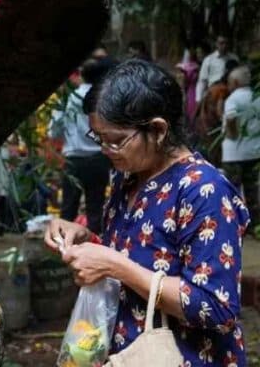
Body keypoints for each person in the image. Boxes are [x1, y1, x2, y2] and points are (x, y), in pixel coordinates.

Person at [46, 60, 249, 366]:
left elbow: (216, 307)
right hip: (130, 352)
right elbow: (145, 251)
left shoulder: (203, 189)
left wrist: (114, 265)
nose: (105, 149)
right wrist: (86, 238)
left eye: (115, 140)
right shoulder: (127, 176)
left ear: (157, 129)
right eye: (98, 138)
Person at [51, 56, 117, 234]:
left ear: (81, 75)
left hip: (73, 160)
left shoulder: (66, 99)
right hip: (98, 159)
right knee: (95, 208)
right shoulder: (105, 99)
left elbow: (54, 131)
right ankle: (93, 248)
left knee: (68, 208)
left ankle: (63, 248)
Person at [222, 66, 260, 229]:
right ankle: (253, 224)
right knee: (252, 190)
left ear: (235, 82)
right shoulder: (256, 97)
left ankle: (234, 224)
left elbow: (230, 117)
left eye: (230, 82)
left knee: (232, 191)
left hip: (233, 154)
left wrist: (232, 134)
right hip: (254, 151)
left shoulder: (233, 98)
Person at [196, 60, 240, 164]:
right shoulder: (223, 90)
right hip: (212, 125)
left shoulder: (216, 85)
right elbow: (220, 110)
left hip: (204, 122)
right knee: (215, 156)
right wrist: (225, 122)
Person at [196, 35, 238, 103]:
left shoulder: (234, 58)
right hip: (213, 92)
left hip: (231, 91)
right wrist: (198, 99)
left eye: (226, 43)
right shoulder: (208, 60)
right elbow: (202, 81)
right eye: (221, 43)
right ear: (216, 44)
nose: (224, 46)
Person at [176, 47, 201, 124]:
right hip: (189, 89)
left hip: (192, 90)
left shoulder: (194, 67)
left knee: (190, 108)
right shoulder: (192, 68)